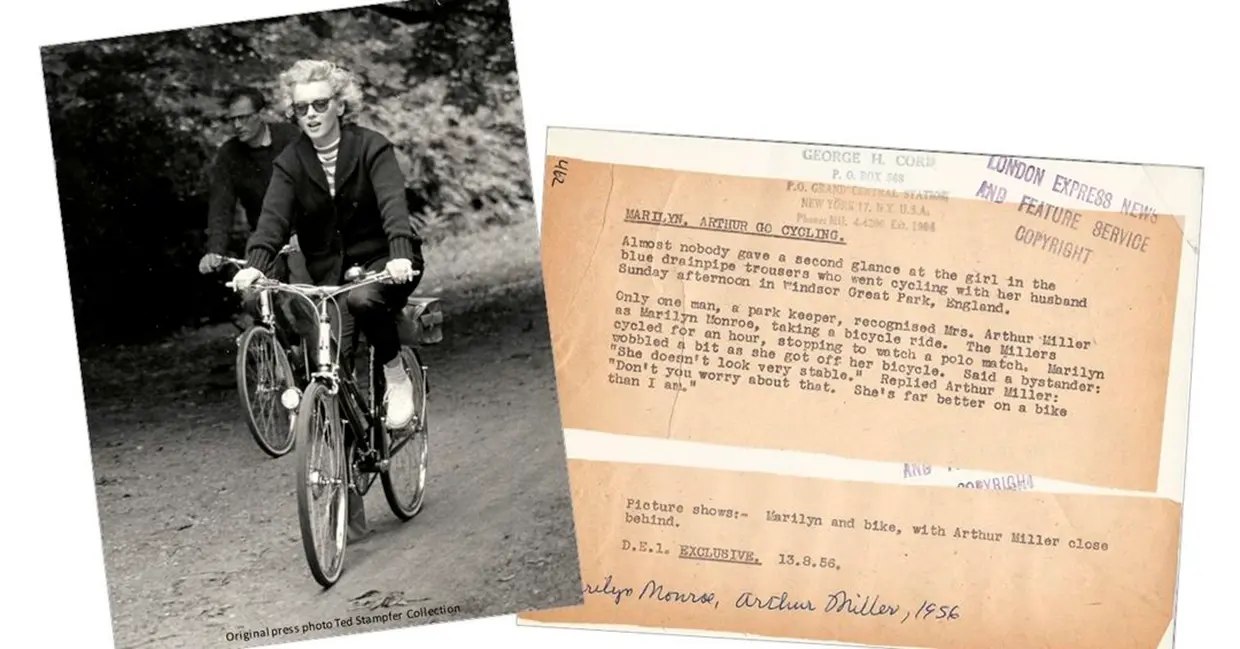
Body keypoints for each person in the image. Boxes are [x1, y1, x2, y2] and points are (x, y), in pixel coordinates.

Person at [230, 60, 425, 430]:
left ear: (340, 104)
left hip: (384, 262)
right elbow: (273, 219)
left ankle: (396, 376)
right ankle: (345, 465)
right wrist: (255, 264)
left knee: (363, 301)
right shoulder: (290, 162)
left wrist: (400, 254)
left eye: (320, 104)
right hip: (329, 276)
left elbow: (393, 206)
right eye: (301, 108)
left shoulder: (372, 147)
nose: (311, 114)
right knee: (332, 362)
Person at [198, 86, 307, 328]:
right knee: (251, 296)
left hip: (302, 232)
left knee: (304, 297)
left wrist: (305, 230)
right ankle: (283, 349)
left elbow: (311, 187)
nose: (237, 125)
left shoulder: (290, 138)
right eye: (232, 119)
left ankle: (314, 353)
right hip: (265, 235)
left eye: (244, 117)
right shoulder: (230, 154)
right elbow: (221, 205)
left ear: (260, 114)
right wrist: (215, 249)